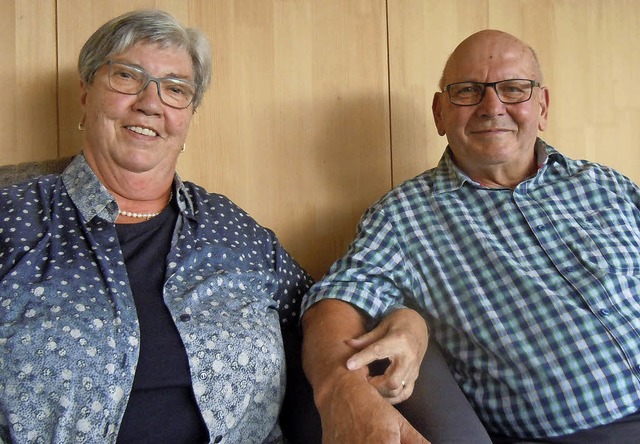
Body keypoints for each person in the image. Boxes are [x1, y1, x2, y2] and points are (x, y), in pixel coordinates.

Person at [0, 9, 429, 443]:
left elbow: (316, 308)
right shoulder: (15, 219)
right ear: (85, 93)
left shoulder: (229, 228)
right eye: (127, 78)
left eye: (175, 89)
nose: (150, 103)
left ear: (188, 116)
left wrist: (408, 319)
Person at [301, 28, 640, 443]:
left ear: (543, 106)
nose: (492, 107)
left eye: (514, 89)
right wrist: (341, 393)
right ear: (440, 112)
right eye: (468, 91)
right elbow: (334, 302)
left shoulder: (606, 185)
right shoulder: (403, 217)